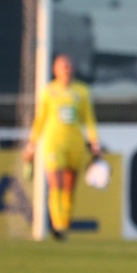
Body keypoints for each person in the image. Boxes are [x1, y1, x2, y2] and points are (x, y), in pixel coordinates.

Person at [23, 54, 100, 240]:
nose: (67, 69)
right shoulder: (49, 92)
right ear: (54, 70)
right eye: (63, 66)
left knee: (69, 187)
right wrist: (31, 145)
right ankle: (57, 225)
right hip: (53, 143)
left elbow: (88, 119)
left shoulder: (81, 91)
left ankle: (64, 226)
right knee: (55, 184)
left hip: (75, 143)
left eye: (69, 65)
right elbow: (40, 120)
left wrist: (94, 142)